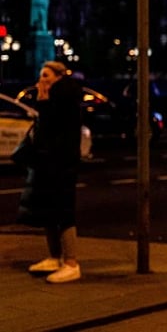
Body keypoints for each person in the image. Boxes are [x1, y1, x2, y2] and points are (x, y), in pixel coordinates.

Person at [18, 61, 83, 283]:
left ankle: (71, 263)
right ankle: (55, 256)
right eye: (41, 75)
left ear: (58, 77)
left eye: (46, 75)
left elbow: (50, 128)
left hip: (61, 163)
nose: (41, 80)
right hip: (50, 162)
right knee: (49, 210)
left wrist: (43, 100)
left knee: (64, 212)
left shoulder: (62, 98)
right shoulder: (57, 97)